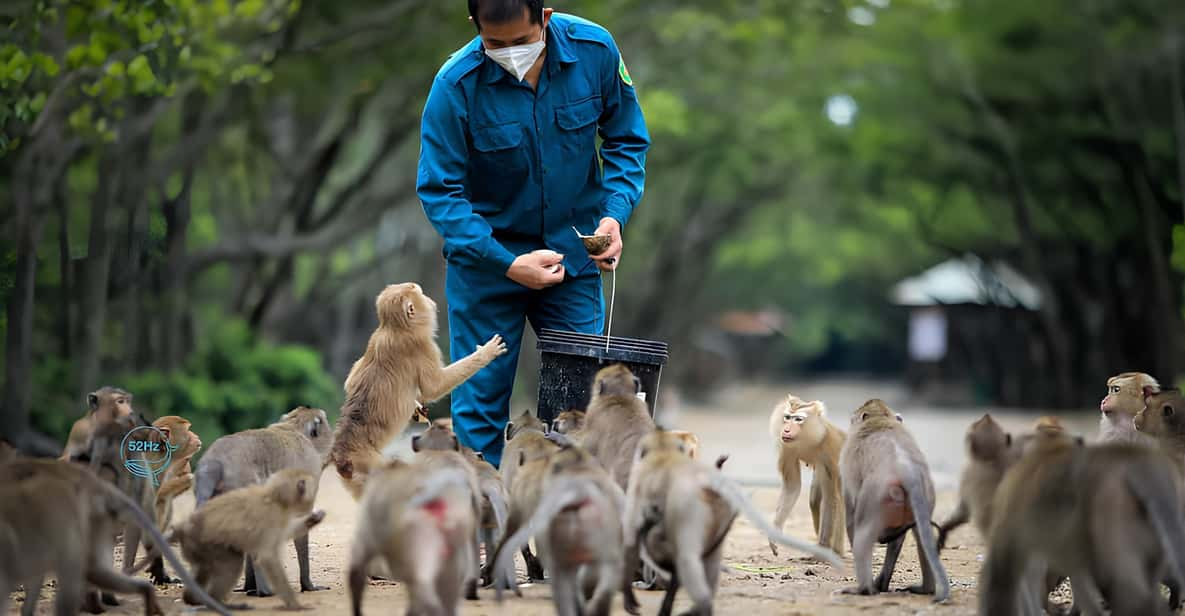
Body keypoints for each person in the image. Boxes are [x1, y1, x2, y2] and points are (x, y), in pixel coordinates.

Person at [417, 0, 650, 466]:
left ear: (544, 17)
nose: (509, 53)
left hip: (573, 260)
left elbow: (626, 140)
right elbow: (441, 191)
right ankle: (486, 527)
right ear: (474, 26)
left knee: (579, 406)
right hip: (487, 268)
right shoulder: (454, 84)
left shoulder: (595, 50)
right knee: (478, 406)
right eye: (494, 44)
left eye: (520, 41)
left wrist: (612, 217)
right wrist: (505, 262)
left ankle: (571, 523)